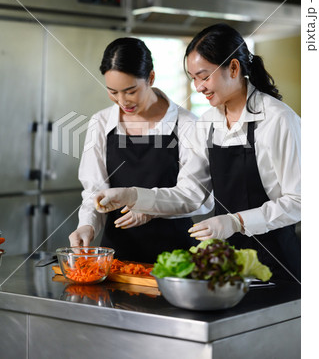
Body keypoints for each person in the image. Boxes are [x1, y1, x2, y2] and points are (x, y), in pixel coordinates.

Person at [94, 23, 301, 282]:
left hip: (278, 262)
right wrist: (133, 195)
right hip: (227, 262)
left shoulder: (278, 119)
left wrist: (237, 221)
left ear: (234, 68)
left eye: (204, 76)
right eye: (193, 78)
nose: (198, 86)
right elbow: (190, 194)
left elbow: (300, 201)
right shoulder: (207, 123)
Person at [69, 37, 210, 263]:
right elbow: (95, 191)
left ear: (151, 78)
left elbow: (199, 197)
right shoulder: (101, 122)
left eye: (130, 90)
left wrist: (151, 207)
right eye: (113, 92)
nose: (122, 101)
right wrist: (87, 225)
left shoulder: (187, 125)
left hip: (176, 260)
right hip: (116, 259)